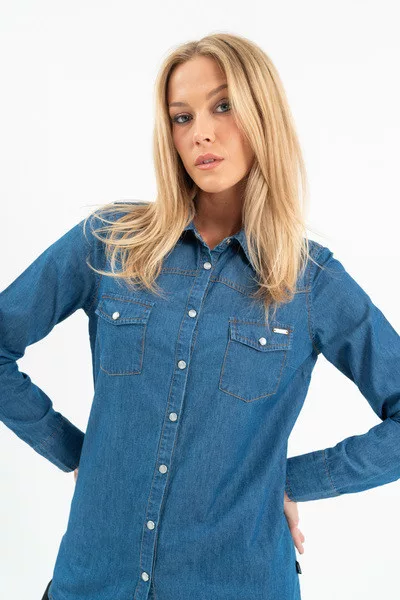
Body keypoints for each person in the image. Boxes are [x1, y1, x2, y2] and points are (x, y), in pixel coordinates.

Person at [2, 32, 399, 600]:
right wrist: (73, 452)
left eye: (223, 106)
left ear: (262, 113)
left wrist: (286, 482)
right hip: (93, 581)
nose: (201, 133)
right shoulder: (110, 243)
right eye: (181, 117)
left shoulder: (311, 280)